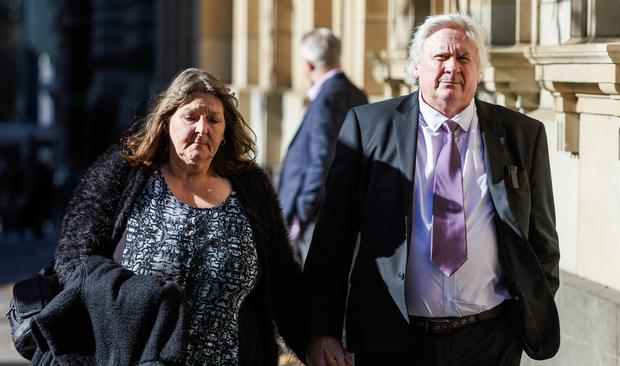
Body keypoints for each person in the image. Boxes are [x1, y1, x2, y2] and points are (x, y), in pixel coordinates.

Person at [303, 13, 560, 366]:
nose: (452, 67)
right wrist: (323, 330)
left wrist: (526, 314)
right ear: (416, 68)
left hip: (490, 340)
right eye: (440, 57)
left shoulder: (521, 135)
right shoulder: (369, 127)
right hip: (394, 340)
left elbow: (542, 242)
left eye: (464, 58)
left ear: (479, 71)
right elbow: (333, 238)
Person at [53, 68, 305, 365]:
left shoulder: (252, 187)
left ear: (225, 131)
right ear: (166, 122)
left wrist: (316, 341)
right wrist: (129, 295)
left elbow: (283, 278)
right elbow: (73, 260)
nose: (203, 128)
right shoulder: (122, 175)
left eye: (213, 119)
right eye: (191, 117)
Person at [277, 28, 368, 264]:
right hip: (341, 210)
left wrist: (303, 213)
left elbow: (321, 159)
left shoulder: (327, 97)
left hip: (315, 215)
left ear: (307, 65)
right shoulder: (357, 93)